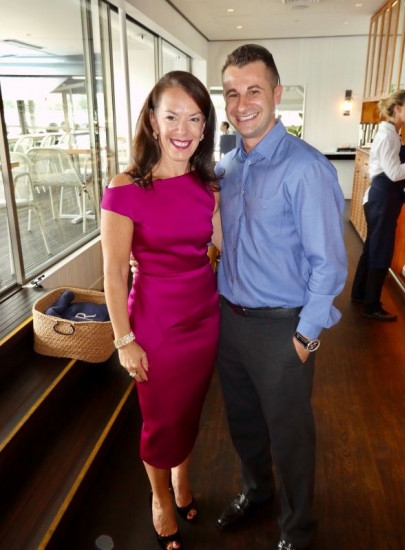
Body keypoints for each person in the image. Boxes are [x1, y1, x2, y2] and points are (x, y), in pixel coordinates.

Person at [215, 44, 347, 550]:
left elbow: (329, 263)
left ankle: (298, 528)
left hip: (282, 329)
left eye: (253, 90)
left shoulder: (306, 168)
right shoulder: (227, 168)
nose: (242, 103)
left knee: (289, 434)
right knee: (244, 423)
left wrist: (306, 337)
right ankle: (257, 492)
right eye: (232, 93)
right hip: (231, 320)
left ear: (276, 93)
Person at [100, 70, 221, 550]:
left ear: (205, 127)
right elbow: (114, 275)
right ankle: (160, 497)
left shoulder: (208, 185)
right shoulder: (125, 188)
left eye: (194, 118)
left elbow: (222, 243)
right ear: (152, 121)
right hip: (155, 322)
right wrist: (124, 341)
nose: (183, 129)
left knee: (189, 409)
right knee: (160, 418)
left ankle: (180, 478)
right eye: (172, 116)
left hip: (204, 316)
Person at [351, 90, 405, 321]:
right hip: (382, 201)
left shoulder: (393, 135)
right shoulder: (388, 136)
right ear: (397, 108)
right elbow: (395, 173)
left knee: (372, 249)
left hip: (382, 199)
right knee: (381, 251)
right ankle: (371, 306)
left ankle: (359, 294)